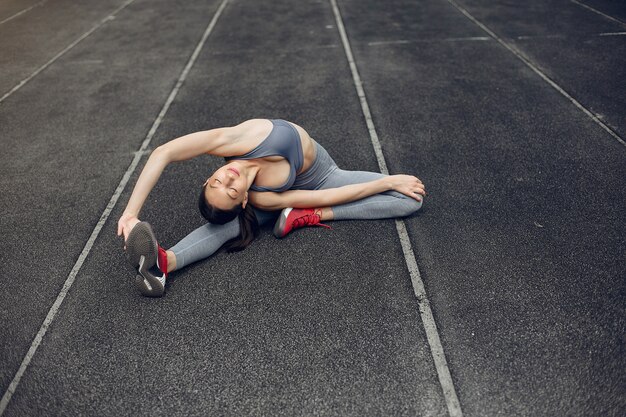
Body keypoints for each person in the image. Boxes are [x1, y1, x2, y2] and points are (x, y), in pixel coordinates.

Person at [117, 119, 426, 297]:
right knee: (226, 227)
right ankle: (163, 265)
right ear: (243, 200)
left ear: (207, 178)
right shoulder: (261, 199)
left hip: (324, 175)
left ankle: (306, 218)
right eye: (231, 190)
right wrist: (386, 182)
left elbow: (164, 152)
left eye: (216, 181)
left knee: (410, 199)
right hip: (295, 197)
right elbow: (326, 196)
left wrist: (130, 212)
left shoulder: (233, 140)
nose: (227, 179)